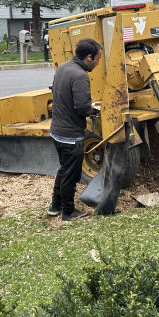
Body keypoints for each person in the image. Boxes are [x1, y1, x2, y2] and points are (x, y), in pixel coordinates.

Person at [48, 38, 102, 221]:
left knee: (64, 169)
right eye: (97, 59)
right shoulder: (80, 76)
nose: (98, 63)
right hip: (70, 136)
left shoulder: (63, 67)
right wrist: (93, 108)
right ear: (88, 57)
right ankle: (68, 212)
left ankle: (55, 206)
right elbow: (81, 108)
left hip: (57, 131)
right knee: (72, 174)